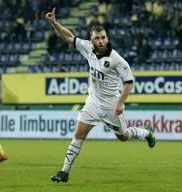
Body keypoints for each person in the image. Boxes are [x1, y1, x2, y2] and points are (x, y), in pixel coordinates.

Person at [46, 8, 155, 183]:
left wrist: (120, 103)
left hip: (112, 105)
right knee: (78, 134)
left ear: (107, 38)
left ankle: (146, 133)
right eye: (97, 38)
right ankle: (64, 172)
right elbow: (69, 37)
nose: (101, 40)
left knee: (123, 136)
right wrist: (54, 23)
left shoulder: (116, 59)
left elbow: (129, 82)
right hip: (93, 102)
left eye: (103, 37)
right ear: (92, 40)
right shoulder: (88, 48)